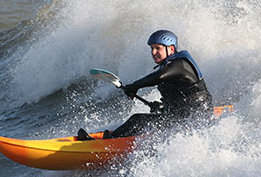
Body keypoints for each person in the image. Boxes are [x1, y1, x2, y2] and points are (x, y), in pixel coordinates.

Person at [78, 30, 213, 140]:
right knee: (143, 121)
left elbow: (159, 77)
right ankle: (114, 139)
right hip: (183, 116)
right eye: (152, 49)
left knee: (137, 120)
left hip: (197, 117)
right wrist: (163, 107)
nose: (153, 53)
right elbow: (179, 96)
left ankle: (108, 143)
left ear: (171, 49)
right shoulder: (168, 67)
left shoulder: (180, 64)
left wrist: (135, 86)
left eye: (157, 48)